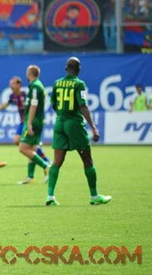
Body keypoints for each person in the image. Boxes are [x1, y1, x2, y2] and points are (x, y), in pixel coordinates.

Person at [46, 57, 111, 206]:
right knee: (87, 160)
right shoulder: (79, 84)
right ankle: (94, 196)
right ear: (79, 69)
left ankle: (50, 196)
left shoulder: (57, 83)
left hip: (59, 123)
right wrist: (93, 127)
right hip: (74, 124)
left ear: (65, 68)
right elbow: (83, 106)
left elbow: (53, 104)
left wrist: (62, 114)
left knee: (57, 161)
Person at [0, 77, 50, 167]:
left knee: (27, 144)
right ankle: (36, 153)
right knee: (16, 141)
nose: (11, 86)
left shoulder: (25, 95)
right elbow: (7, 103)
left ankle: (44, 159)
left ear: (19, 85)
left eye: (13, 84)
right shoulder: (13, 96)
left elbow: (34, 105)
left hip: (29, 121)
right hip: (23, 122)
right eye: (10, 84)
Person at [17, 65, 51, 185]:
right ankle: (30, 177)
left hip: (34, 121)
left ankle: (46, 166)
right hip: (38, 120)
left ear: (29, 73)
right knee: (31, 149)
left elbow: (34, 105)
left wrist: (29, 122)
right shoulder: (36, 85)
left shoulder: (35, 86)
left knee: (22, 148)